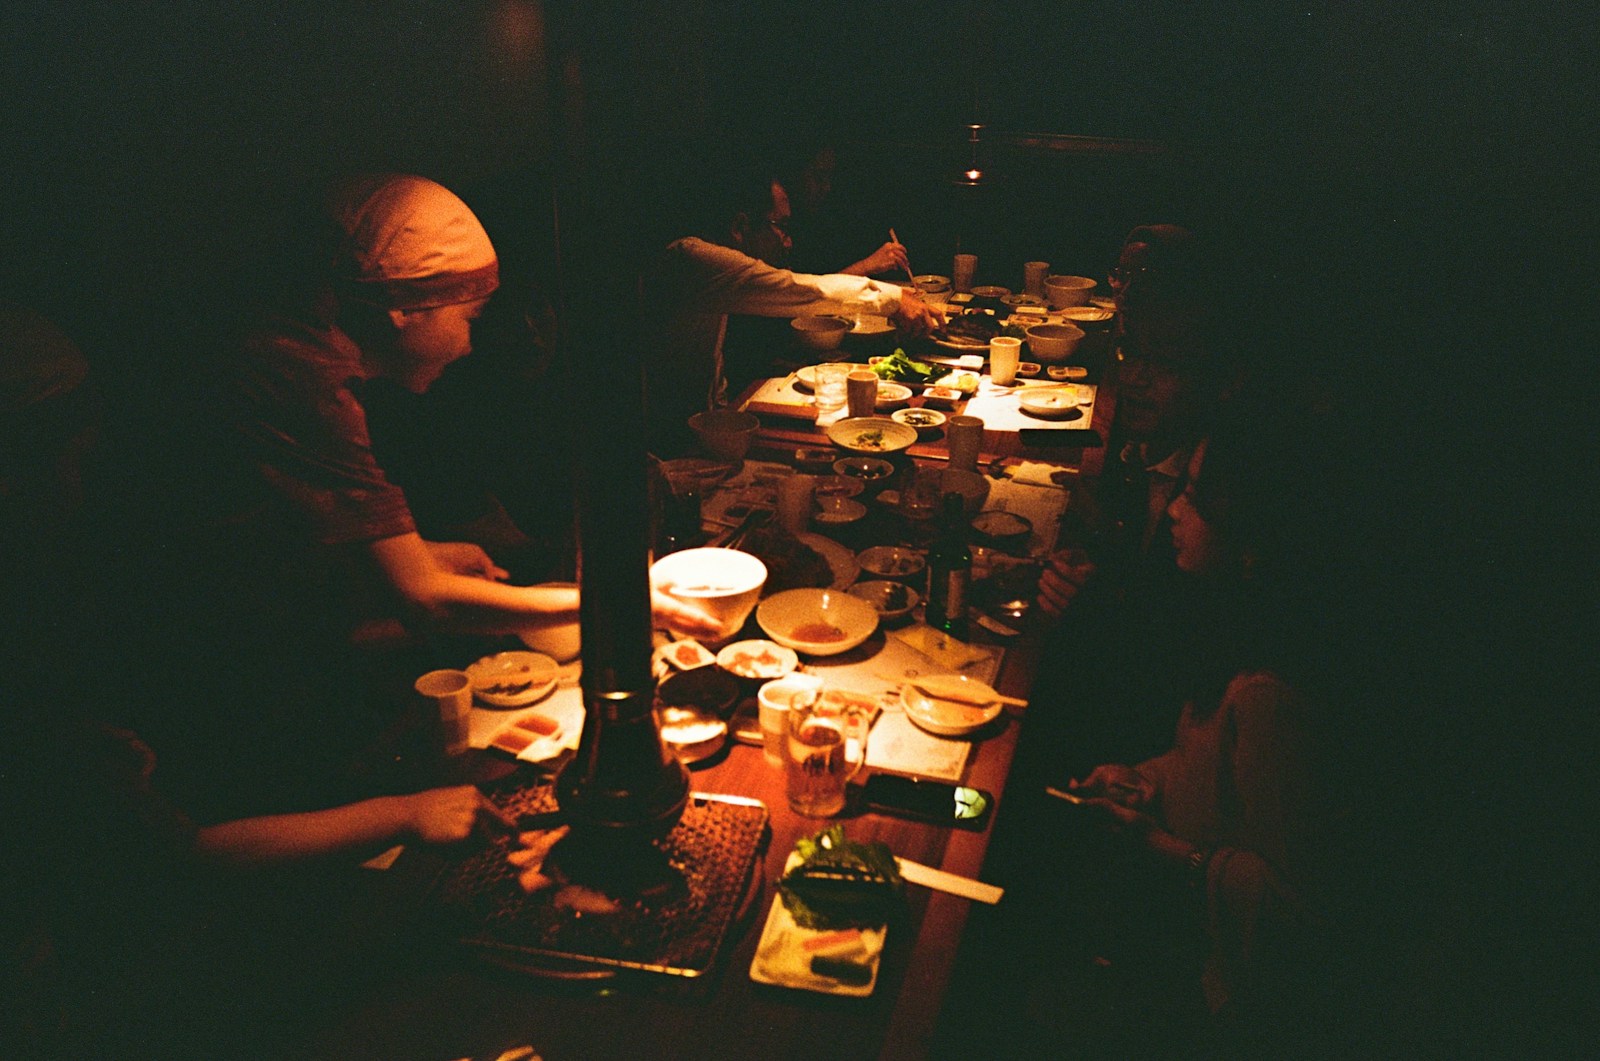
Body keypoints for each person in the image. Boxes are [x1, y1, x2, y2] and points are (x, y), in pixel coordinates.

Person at [96, 174, 719, 821]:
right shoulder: (303, 373)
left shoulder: (307, 348)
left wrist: (431, 553)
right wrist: (618, 605)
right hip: (193, 671)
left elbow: (315, 532)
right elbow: (421, 598)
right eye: (471, 317)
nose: (473, 343)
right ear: (403, 309)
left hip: (254, 636)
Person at [639, 167, 943, 453]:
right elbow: (798, 289)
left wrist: (725, 417)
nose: (788, 242)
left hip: (702, 431)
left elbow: (710, 371)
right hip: (662, 444)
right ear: (740, 227)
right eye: (781, 227)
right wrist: (893, 300)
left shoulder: (713, 273)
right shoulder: (691, 259)